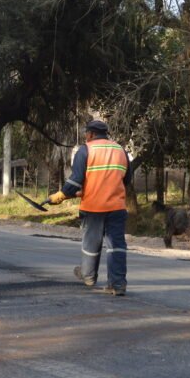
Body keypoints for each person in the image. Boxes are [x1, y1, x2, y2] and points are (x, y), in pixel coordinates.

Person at [45, 118, 133, 296]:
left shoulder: (86, 150)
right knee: (116, 246)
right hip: (116, 207)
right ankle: (117, 285)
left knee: (91, 244)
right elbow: (126, 180)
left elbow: (75, 180)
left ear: (91, 134)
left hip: (93, 207)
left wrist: (62, 194)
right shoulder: (120, 150)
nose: (85, 136)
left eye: (86, 134)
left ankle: (88, 276)